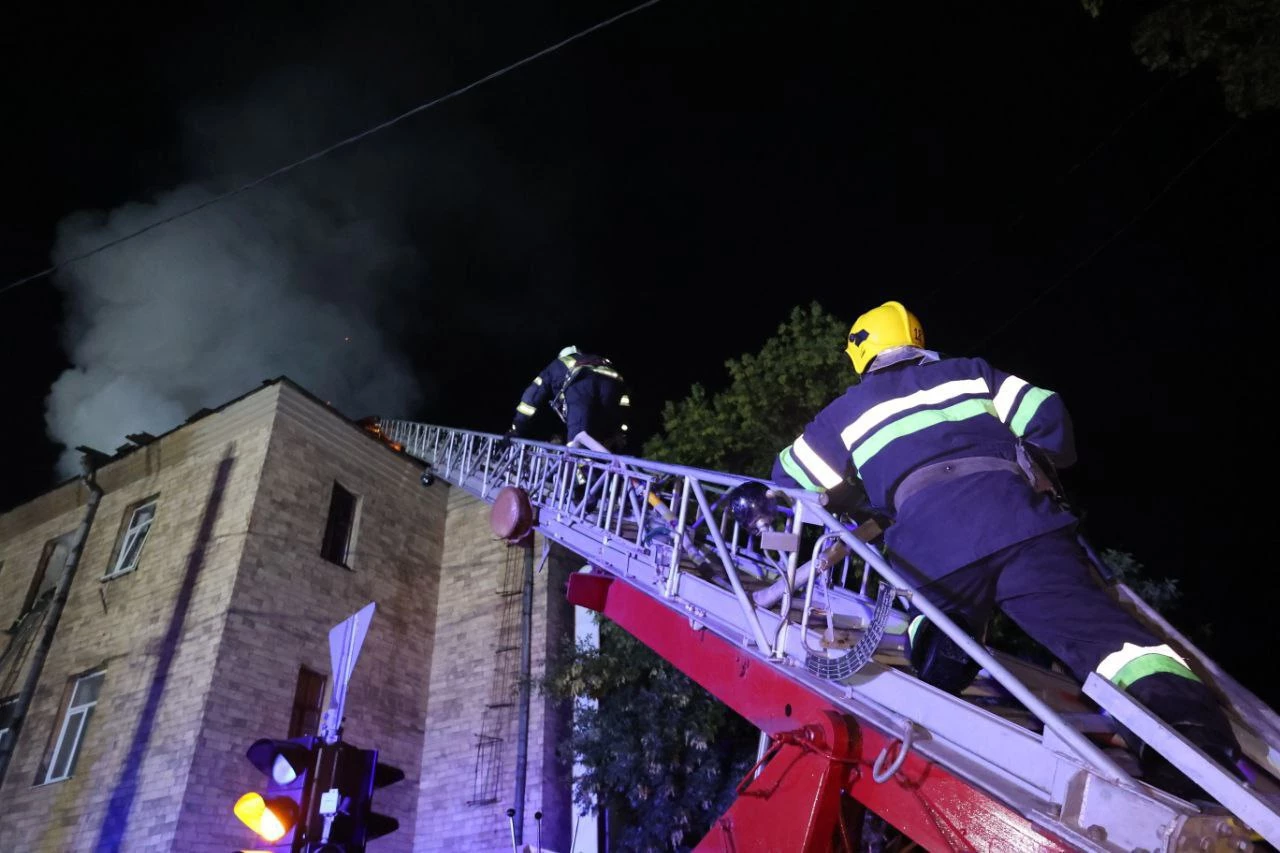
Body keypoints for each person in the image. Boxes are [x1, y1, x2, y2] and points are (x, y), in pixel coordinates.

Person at [771, 299, 1242, 801]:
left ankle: (943, 643)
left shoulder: (845, 412)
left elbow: (789, 482)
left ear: (860, 356)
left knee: (930, 623)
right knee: (1110, 644)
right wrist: (1029, 462)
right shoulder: (972, 373)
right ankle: (1191, 735)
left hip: (933, 546)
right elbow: (1048, 416)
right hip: (1023, 526)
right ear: (916, 339)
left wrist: (858, 498)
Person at [508, 345, 631, 452]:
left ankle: (580, 468)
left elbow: (533, 395)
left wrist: (517, 428)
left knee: (577, 442)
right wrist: (620, 427)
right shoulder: (595, 360)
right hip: (615, 384)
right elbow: (624, 402)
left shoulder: (558, 364)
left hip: (582, 385)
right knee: (597, 438)